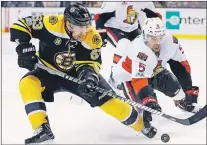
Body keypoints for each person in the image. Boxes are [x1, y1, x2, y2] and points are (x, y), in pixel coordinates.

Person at [10, 3, 157, 144]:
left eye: (87, 25)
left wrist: (89, 79)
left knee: (113, 104)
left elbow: (89, 64)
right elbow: (20, 25)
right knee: (27, 83)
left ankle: (141, 125)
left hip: (77, 76)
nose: (85, 30)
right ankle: (42, 129)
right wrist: (23, 47)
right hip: (48, 71)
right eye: (80, 26)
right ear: (68, 23)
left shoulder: (92, 37)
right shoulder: (50, 23)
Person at [110, 17, 200, 133]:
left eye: (160, 37)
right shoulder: (139, 50)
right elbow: (139, 81)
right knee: (142, 111)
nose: (157, 42)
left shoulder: (171, 41)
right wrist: (149, 102)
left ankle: (181, 102)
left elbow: (180, 65)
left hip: (153, 71)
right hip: (129, 78)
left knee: (175, 88)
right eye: (153, 38)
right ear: (144, 35)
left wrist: (188, 88)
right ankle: (144, 123)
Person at [95, 2, 162, 66]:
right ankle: (115, 72)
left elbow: (154, 15)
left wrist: (156, 28)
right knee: (123, 44)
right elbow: (101, 16)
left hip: (133, 28)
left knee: (145, 45)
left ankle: (146, 70)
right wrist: (101, 33)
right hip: (114, 27)